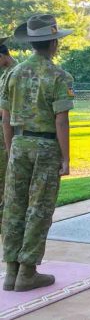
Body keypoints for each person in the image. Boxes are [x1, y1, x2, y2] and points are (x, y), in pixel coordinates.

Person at [1, 15, 74, 292]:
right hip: (45, 147)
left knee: (14, 207)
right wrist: (65, 157)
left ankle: (11, 271)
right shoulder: (58, 76)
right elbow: (60, 120)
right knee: (39, 208)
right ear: (54, 43)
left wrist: (11, 150)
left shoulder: (13, 73)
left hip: (19, 144)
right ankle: (28, 272)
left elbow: (5, 117)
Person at [0, 37, 16, 231]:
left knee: (6, 180)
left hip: (7, 132)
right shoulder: (5, 73)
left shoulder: (15, 73)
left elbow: (9, 110)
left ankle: (6, 221)